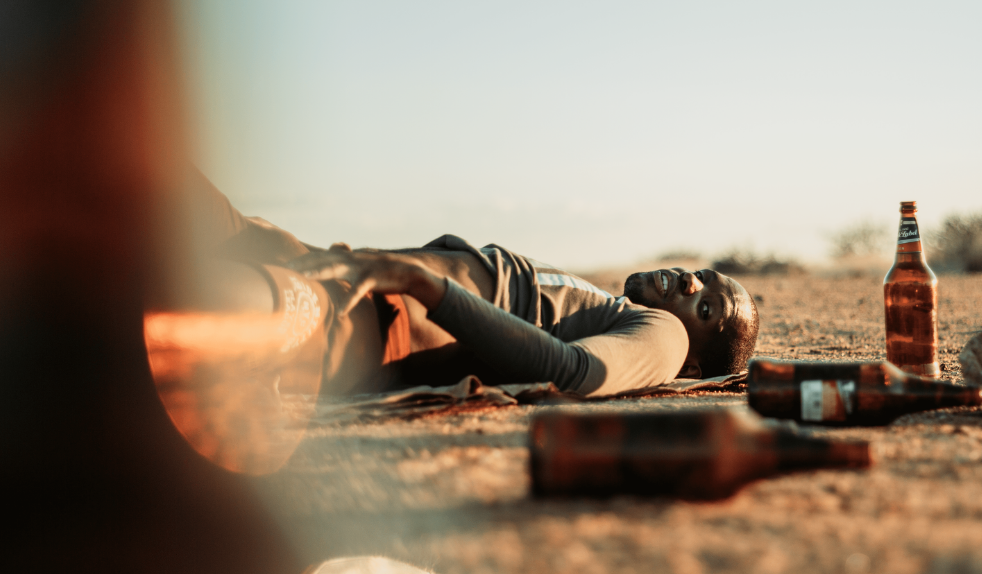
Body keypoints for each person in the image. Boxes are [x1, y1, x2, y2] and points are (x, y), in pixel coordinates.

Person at [182, 170, 759, 397]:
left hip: (365, 318)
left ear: (691, 364)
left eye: (705, 308)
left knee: (182, 300)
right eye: (704, 277)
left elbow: (578, 373)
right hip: (334, 275)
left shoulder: (666, 339)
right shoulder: (612, 309)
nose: (689, 281)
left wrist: (419, 283)